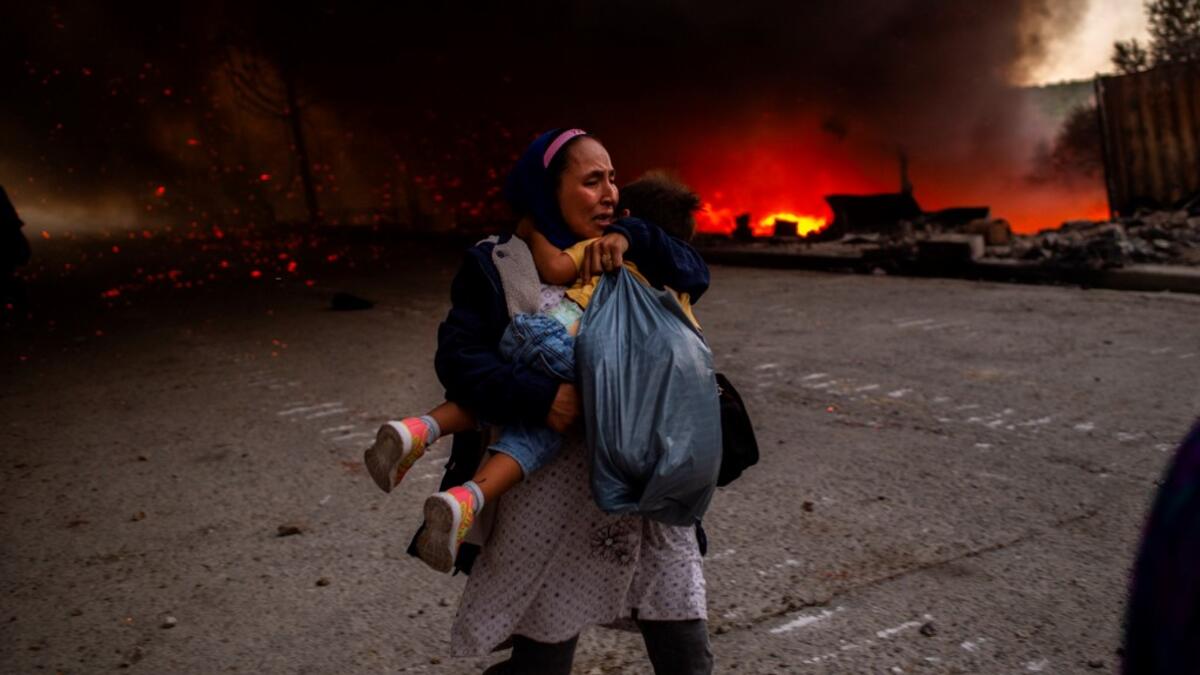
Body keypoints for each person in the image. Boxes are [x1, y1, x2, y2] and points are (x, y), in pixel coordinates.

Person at [416, 128, 714, 674]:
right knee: (543, 663)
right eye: (591, 181)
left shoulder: (628, 246)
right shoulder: (499, 264)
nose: (610, 194)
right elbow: (458, 362)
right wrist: (544, 397)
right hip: (551, 505)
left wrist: (634, 238)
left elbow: (697, 273)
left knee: (686, 653)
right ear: (547, 190)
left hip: (647, 494)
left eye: (613, 180)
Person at [363, 169, 704, 573]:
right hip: (585, 355)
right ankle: (468, 496)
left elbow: (557, 268)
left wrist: (532, 230)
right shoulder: (673, 289)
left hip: (543, 334)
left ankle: (423, 438)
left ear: (627, 216)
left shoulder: (602, 246)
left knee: (522, 411)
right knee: (540, 428)